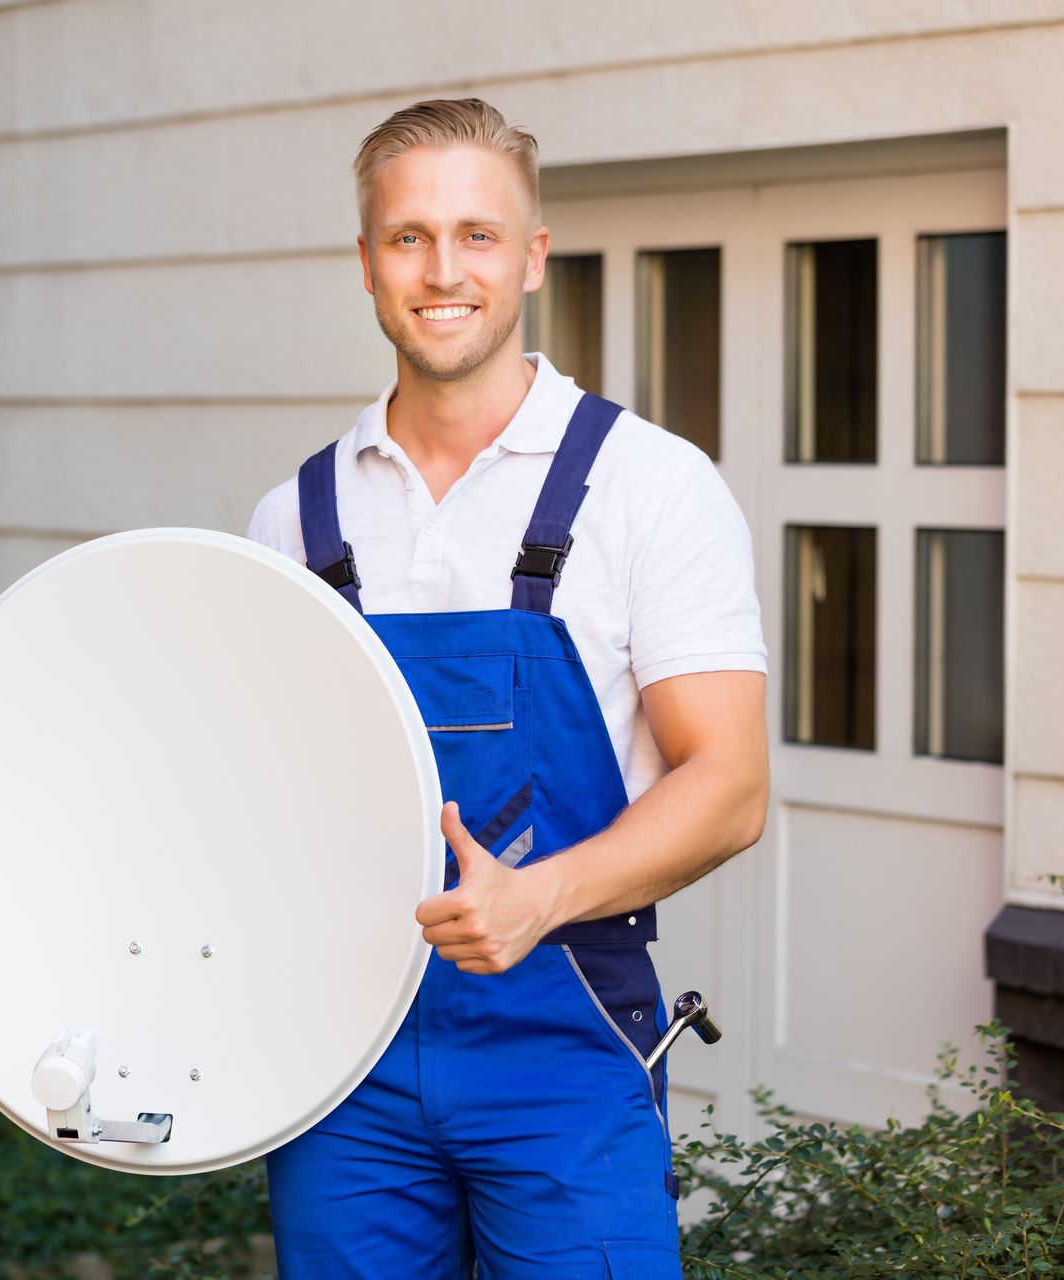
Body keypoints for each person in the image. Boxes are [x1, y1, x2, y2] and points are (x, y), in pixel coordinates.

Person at [244, 98, 770, 1278]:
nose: (444, 271)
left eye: (479, 235)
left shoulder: (650, 487)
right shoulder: (295, 516)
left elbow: (731, 785)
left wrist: (540, 896)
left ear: (533, 256)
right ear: (367, 263)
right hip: (345, 1069)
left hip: (566, 1055)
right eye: (409, 236)